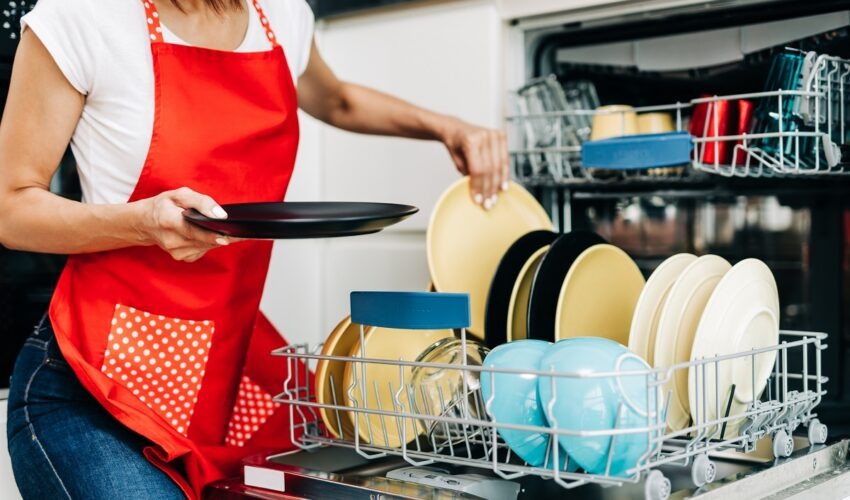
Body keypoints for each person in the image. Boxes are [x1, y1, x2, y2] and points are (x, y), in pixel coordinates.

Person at [0, 0, 508, 498]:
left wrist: (448, 128)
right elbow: (11, 208)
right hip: (92, 386)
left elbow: (337, 101)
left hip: (224, 369)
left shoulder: (279, 12)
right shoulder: (82, 15)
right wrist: (140, 224)